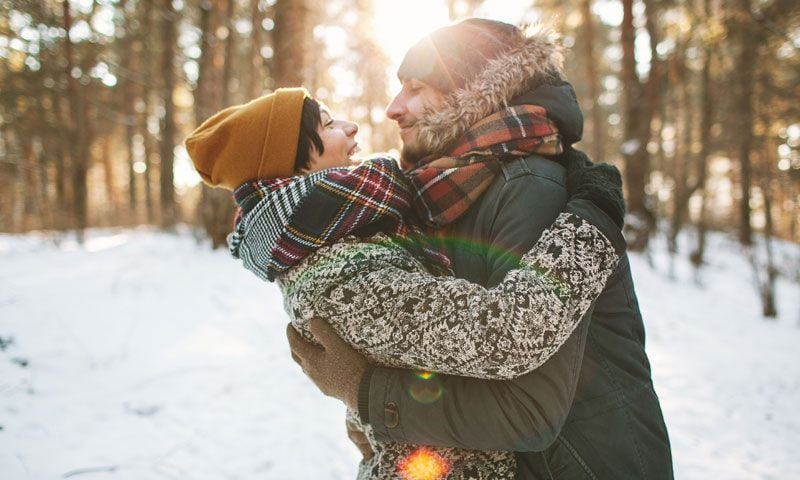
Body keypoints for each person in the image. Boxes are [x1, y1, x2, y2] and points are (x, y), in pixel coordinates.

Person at [289, 18, 675, 479]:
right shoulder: (447, 190)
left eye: (416, 88)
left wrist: (366, 392)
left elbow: (529, 412)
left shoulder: (530, 187)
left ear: (474, 94)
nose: (393, 108)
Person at [185, 87, 627, 478]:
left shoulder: (337, 245)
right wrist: (595, 215)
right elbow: (506, 332)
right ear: (294, 163)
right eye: (329, 124)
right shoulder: (342, 275)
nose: (352, 125)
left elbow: (368, 422)